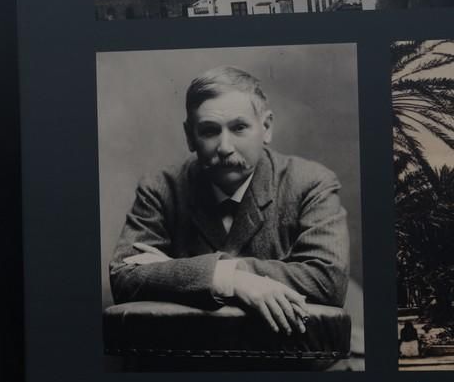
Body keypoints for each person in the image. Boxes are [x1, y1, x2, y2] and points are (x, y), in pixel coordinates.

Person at [108, 67, 349, 337]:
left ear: (266, 128)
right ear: (190, 136)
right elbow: (124, 277)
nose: (224, 147)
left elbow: (328, 281)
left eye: (239, 127)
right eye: (209, 131)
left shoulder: (311, 183)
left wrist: (204, 273)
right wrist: (233, 280)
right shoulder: (160, 188)